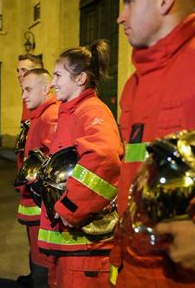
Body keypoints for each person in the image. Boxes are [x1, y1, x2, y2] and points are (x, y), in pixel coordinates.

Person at [110, 0, 195, 286]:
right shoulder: (133, 86)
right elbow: (134, 170)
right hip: (132, 269)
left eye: (129, 3)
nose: (120, 17)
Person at [37, 40, 123, 288]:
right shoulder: (72, 112)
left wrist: (69, 208)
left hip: (84, 250)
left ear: (80, 78)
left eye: (58, 75)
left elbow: (104, 158)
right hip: (70, 249)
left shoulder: (90, 111)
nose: (52, 83)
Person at [17, 68, 59, 288]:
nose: (24, 95)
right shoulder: (40, 115)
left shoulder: (49, 117)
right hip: (33, 203)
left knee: (42, 258)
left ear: (45, 89)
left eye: (28, 89)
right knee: (36, 252)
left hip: (40, 207)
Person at [15, 54, 44, 169]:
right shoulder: (27, 99)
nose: (19, 75)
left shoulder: (43, 104)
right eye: (18, 71)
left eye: (24, 70)